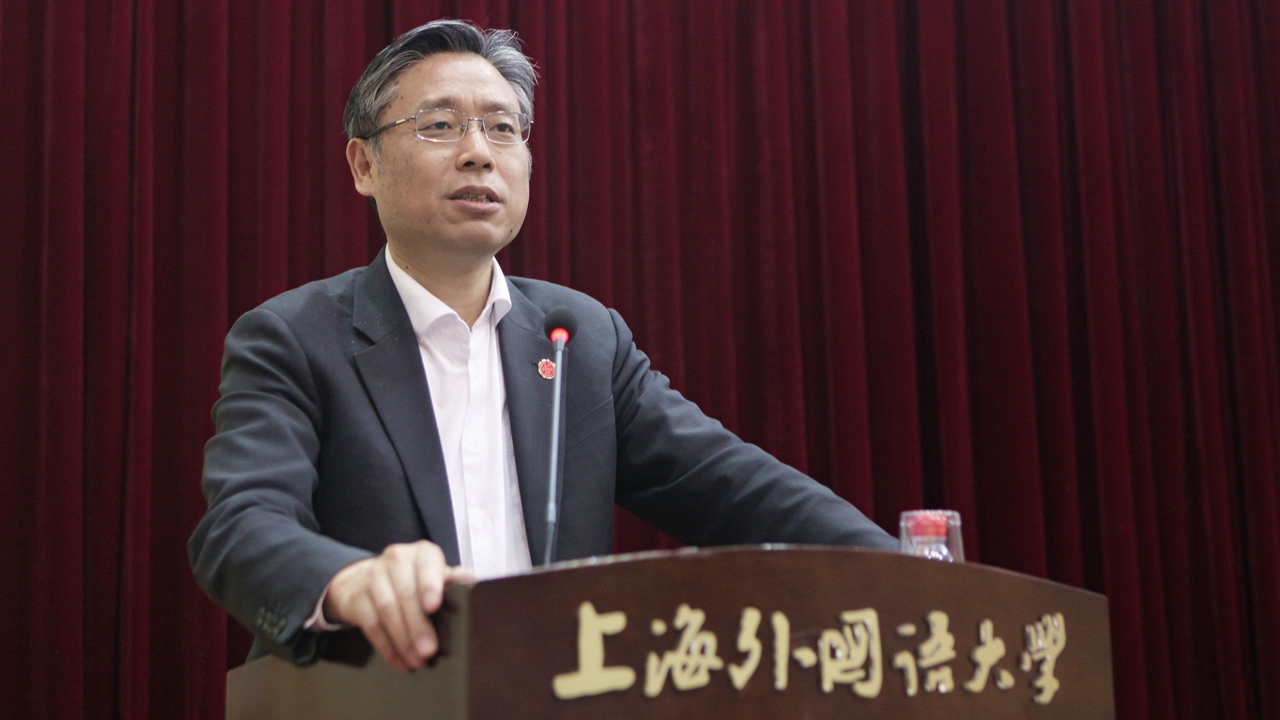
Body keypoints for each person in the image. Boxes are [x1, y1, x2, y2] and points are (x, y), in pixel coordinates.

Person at [189, 18, 896, 673]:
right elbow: (240, 528)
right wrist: (350, 581)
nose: (478, 153)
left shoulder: (581, 340)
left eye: (503, 129)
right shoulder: (293, 338)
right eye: (440, 126)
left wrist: (910, 572)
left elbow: (739, 491)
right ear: (363, 166)